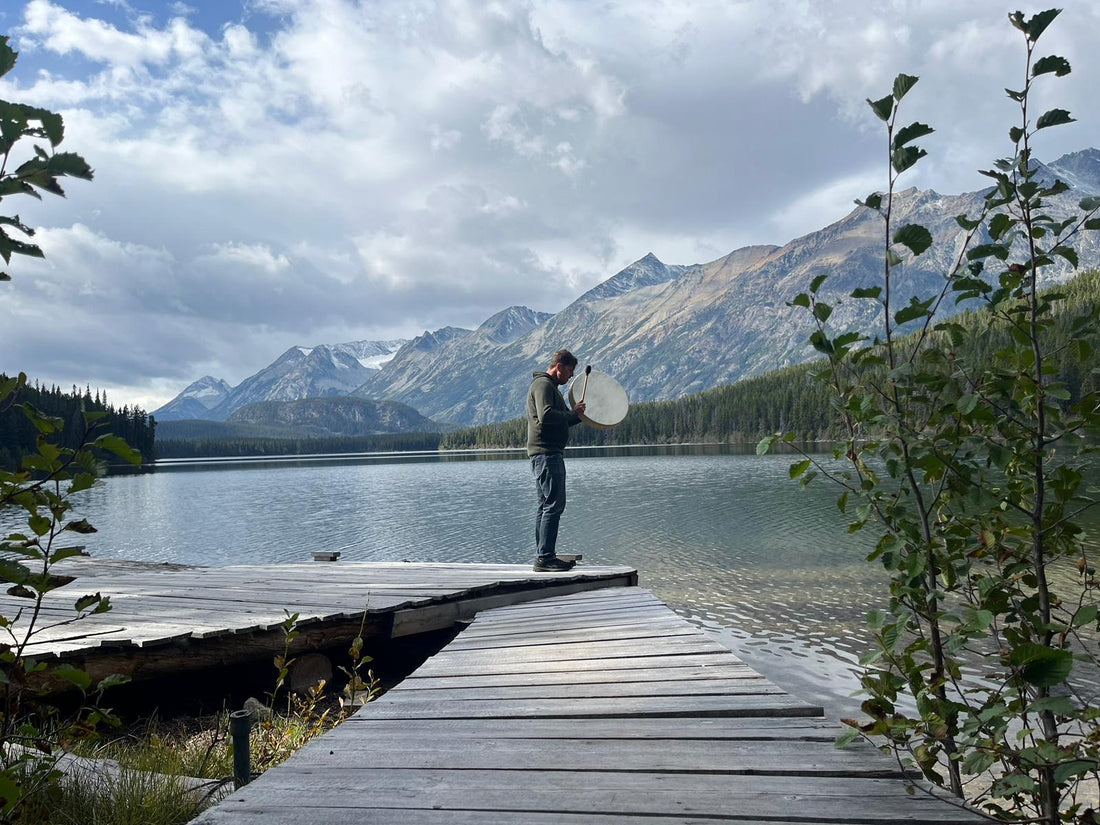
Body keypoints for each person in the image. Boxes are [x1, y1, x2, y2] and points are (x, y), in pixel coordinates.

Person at [526, 349, 587, 572]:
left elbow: (560, 420)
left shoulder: (550, 387)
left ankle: (544, 554)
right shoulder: (543, 385)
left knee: (545, 505)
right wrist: (572, 413)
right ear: (559, 366)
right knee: (553, 504)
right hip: (547, 454)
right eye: (570, 371)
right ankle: (545, 558)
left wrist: (577, 415)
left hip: (546, 454)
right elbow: (547, 416)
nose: (571, 376)